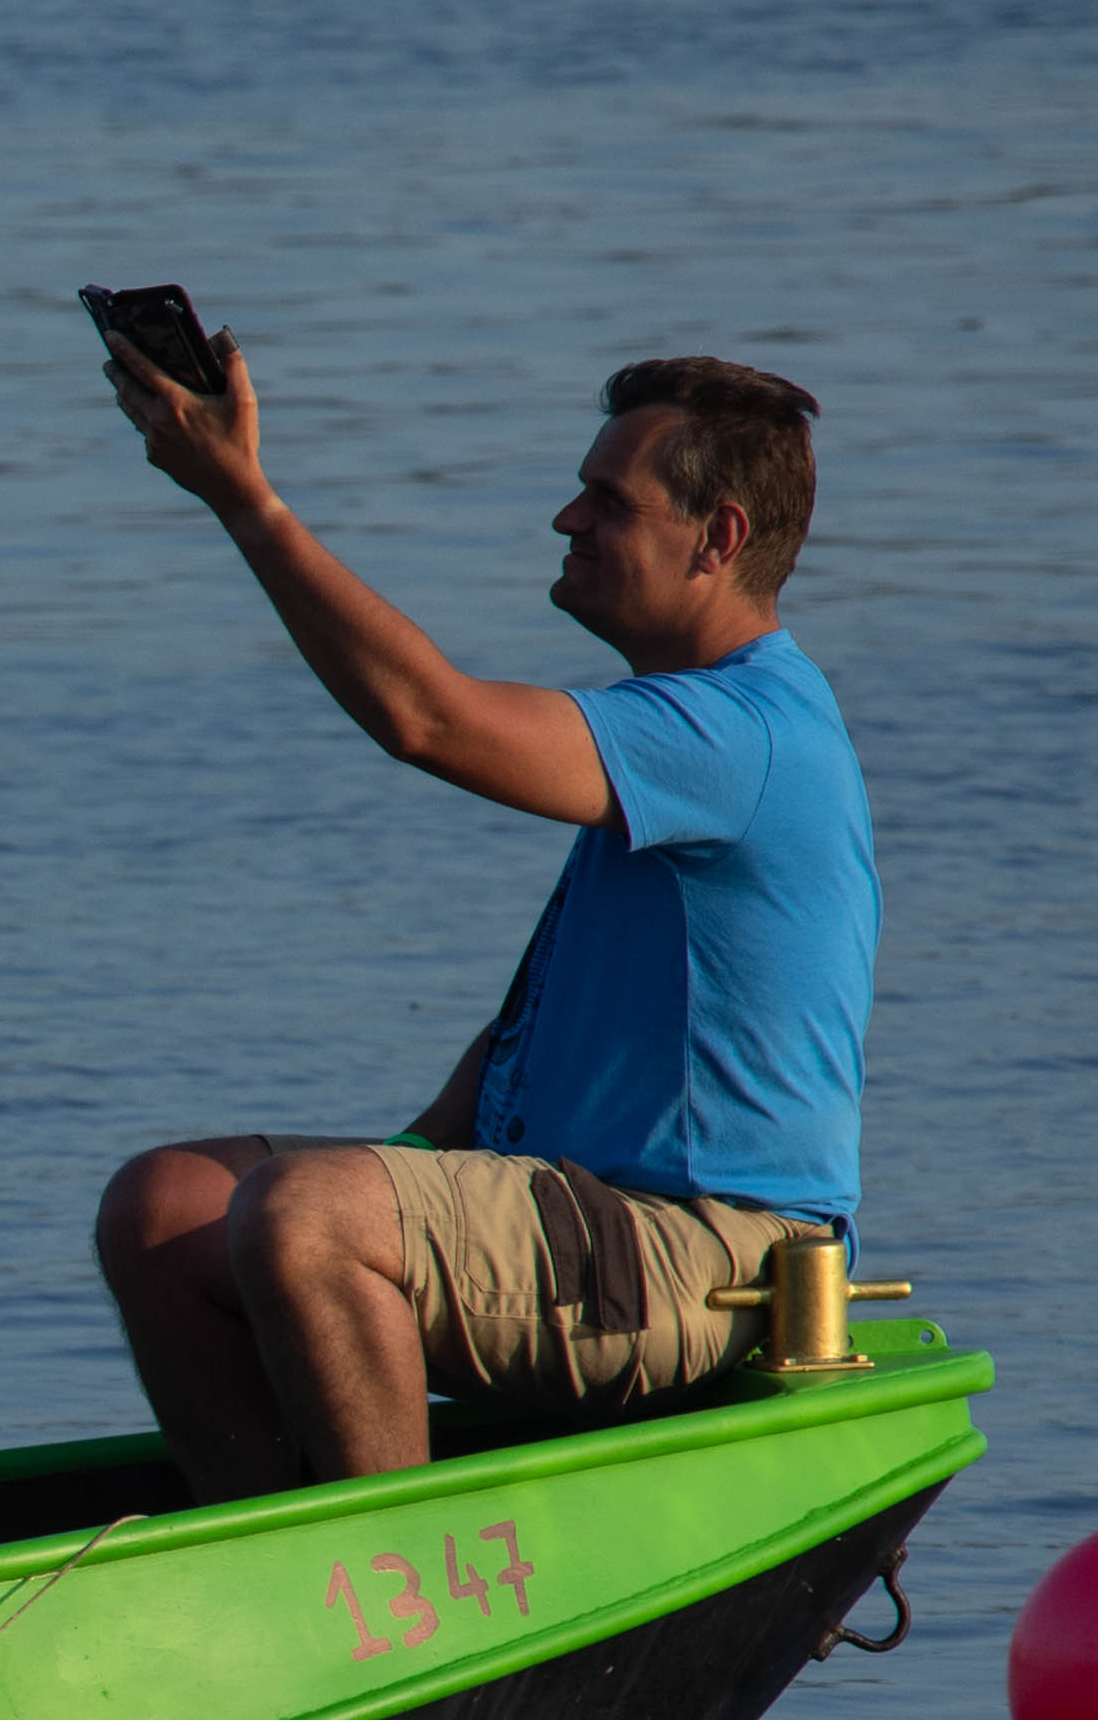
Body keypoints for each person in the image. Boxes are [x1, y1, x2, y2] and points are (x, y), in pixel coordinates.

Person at [87, 339, 871, 1497]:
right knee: (164, 1209)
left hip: (712, 1259)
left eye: (608, 501)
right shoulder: (680, 732)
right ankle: (255, 1537)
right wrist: (406, 1159)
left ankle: (390, 1574)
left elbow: (427, 720)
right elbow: (543, 1018)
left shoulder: (742, 736)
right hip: (583, 1218)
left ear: (717, 539)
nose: (566, 519)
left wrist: (244, 499)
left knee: (306, 1215)